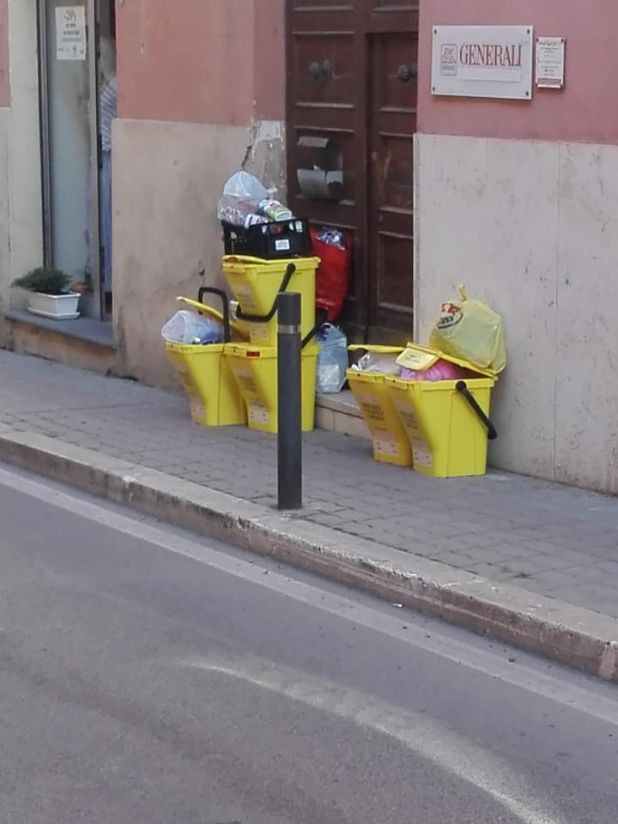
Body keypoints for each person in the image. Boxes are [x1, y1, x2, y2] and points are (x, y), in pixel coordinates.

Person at [98, 37, 117, 296]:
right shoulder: (110, 83)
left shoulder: (116, 84)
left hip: (112, 155)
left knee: (108, 221)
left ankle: (110, 283)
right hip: (104, 154)